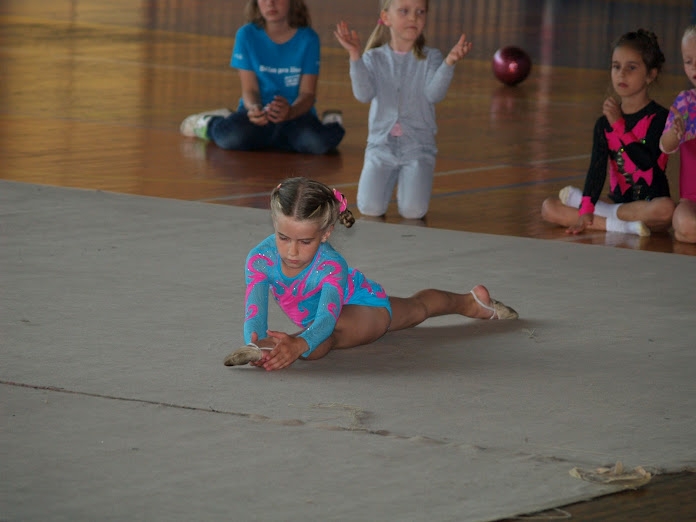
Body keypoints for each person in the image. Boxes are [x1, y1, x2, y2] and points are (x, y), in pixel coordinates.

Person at [224, 177, 518, 371]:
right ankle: (470, 301)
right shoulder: (260, 259)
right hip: (331, 315)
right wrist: (254, 341)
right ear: (274, 224)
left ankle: (284, 345)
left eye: (305, 242)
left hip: (363, 306)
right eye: (283, 237)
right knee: (417, 308)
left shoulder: (331, 265)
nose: (291, 252)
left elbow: (326, 320)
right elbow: (254, 311)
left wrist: (298, 344)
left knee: (327, 336)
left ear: (326, 234)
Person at [333, 0, 472, 221]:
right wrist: (355, 56)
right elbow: (363, 94)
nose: (413, 18)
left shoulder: (431, 57)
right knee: (369, 207)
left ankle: (414, 178)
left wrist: (449, 63)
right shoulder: (374, 58)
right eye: (404, 11)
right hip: (380, 148)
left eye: (420, 12)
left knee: (413, 211)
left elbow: (434, 94)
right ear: (386, 17)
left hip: (417, 148)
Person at [541, 29, 674, 237]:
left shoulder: (660, 118)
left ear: (651, 75)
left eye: (631, 68)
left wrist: (619, 125)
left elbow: (646, 162)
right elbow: (596, 170)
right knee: (549, 207)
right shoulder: (603, 124)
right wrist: (586, 209)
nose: (621, 74)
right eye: (616, 66)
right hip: (616, 202)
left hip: (649, 206)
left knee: (666, 209)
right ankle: (620, 226)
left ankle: (606, 218)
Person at [179, 0, 345, 155]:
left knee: (317, 144)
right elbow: (250, 89)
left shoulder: (308, 38)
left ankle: (331, 120)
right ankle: (209, 123)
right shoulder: (246, 35)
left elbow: (307, 94)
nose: (270, 3)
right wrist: (254, 109)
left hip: (296, 115)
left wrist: (290, 112)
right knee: (230, 138)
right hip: (259, 115)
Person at [660, 26, 696, 244]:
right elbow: (665, 146)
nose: (694, 67)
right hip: (692, 200)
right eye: (688, 61)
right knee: (683, 224)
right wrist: (675, 133)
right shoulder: (685, 102)